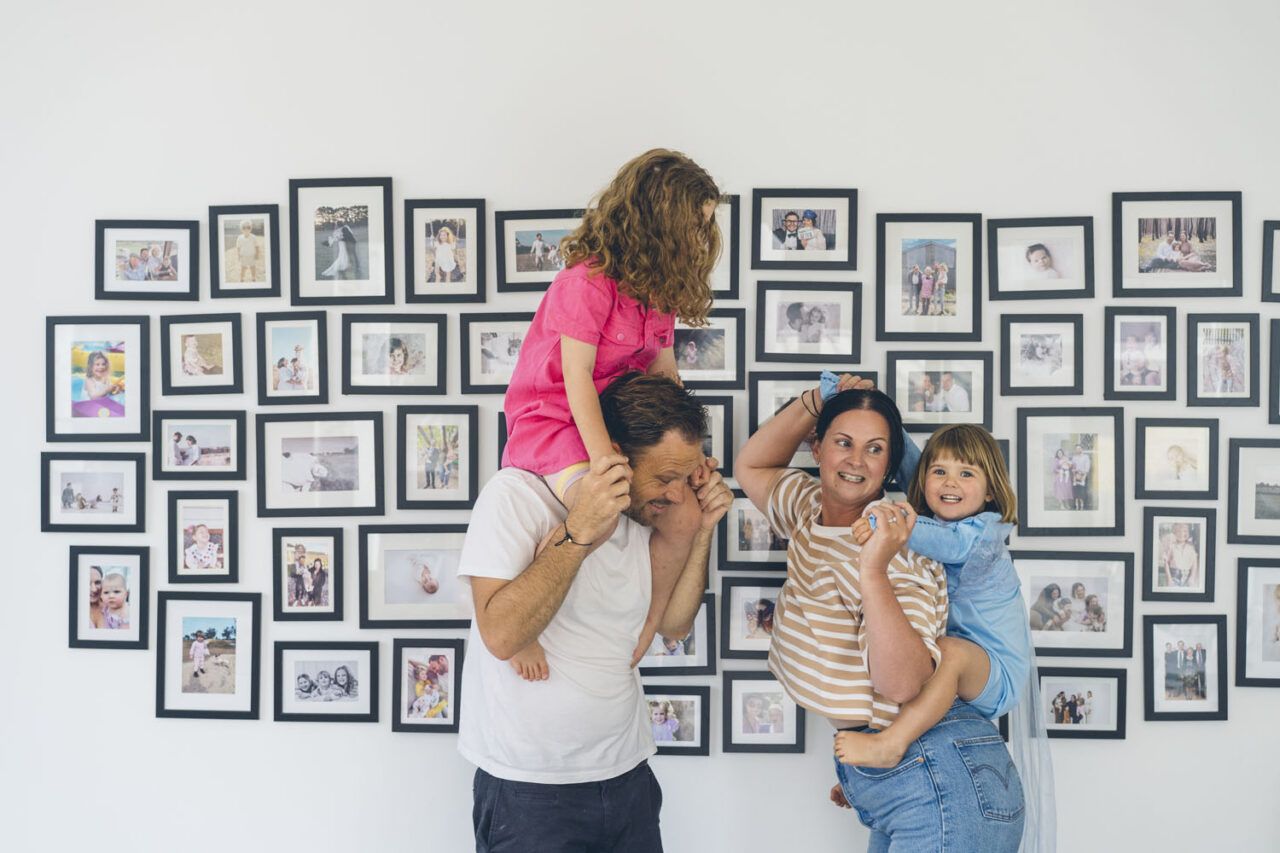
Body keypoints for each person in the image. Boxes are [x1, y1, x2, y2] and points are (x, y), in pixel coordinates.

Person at [735, 376, 1041, 852]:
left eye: (875, 449)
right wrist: (818, 400)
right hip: (903, 773)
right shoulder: (806, 505)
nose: (856, 460)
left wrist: (873, 568)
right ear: (817, 447)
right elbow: (751, 464)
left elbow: (902, 685)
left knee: (950, 654)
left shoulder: (899, 542)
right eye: (842, 442)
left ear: (890, 467)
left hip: (937, 776)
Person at [458, 373, 730, 852]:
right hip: (530, 791)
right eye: (664, 477)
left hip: (627, 777)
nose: (674, 491)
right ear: (615, 455)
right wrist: (582, 526)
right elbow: (500, 635)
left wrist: (703, 529)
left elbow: (674, 624)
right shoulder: (514, 496)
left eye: (684, 477)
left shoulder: (652, 515)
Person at [499, 149, 721, 681]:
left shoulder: (660, 293)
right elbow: (575, 379)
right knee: (596, 511)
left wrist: (691, 455)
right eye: (695, 224)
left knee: (687, 514)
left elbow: (667, 375)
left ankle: (648, 626)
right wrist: (604, 459)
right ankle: (521, 630)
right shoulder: (586, 283)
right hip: (553, 421)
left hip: (620, 421)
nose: (700, 237)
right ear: (659, 221)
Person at [831, 423, 1034, 777]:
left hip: (998, 671)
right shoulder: (938, 515)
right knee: (898, 653)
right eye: (939, 472)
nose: (950, 482)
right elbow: (908, 462)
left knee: (949, 651)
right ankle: (869, 779)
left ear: (990, 492)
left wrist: (884, 518)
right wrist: (878, 411)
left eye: (966, 473)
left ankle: (890, 745)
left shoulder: (981, 535)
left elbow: (947, 543)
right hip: (958, 657)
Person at [1160, 522, 1199, 587]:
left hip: (1187, 577)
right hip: (1174, 577)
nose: (1182, 534)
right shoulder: (1171, 546)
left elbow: (1194, 563)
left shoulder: (1191, 546)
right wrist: (1169, 578)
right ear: (1174, 533)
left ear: (1189, 532)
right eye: (1178, 531)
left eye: (1185, 531)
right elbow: (1166, 562)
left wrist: (1192, 577)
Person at [1070, 443, 1091, 511]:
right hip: (1076, 476)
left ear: (1082, 449)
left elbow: (1087, 467)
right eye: (1076, 449)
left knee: (1082, 492)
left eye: (1079, 448)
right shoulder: (1074, 457)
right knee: (1076, 491)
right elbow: (1073, 467)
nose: (1078, 450)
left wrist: (1084, 476)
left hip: (1083, 475)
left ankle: (1083, 506)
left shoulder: (1086, 457)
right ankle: (1076, 506)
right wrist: (1074, 476)